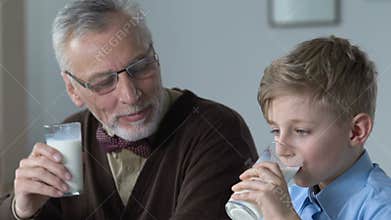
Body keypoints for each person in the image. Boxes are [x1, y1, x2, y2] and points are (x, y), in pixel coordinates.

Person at [0, 0, 258, 219]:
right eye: (104, 82)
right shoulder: (69, 137)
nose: (130, 95)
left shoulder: (217, 130)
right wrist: (21, 210)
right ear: (72, 89)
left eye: (140, 67)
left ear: (155, 57)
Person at [231, 36, 391, 219]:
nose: (281, 150)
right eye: (276, 131)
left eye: (301, 131)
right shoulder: (290, 195)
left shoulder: (382, 208)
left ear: (355, 132)